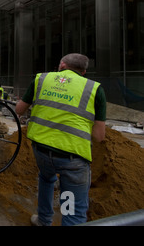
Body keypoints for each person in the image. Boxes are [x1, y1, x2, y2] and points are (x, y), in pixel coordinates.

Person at [15, 53, 106, 226]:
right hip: (73, 158)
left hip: (41, 151)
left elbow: (19, 110)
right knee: (72, 207)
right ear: (84, 71)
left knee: (47, 178)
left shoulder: (41, 79)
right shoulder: (94, 89)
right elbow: (99, 136)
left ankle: (43, 219)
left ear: (62, 65)